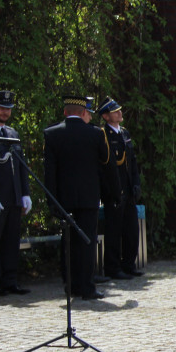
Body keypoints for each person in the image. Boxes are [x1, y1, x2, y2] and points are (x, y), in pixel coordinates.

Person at [43, 95, 115, 300]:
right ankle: (86, 286)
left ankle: (70, 284)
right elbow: (106, 164)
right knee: (86, 242)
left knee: (68, 241)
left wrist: (52, 200)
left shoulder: (51, 134)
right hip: (88, 197)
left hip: (63, 199)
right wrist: (111, 192)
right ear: (84, 113)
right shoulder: (95, 134)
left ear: (65, 112)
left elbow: (50, 172)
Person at [0, 90, 32, 296]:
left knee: (12, 240)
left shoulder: (12, 134)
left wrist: (25, 193)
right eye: (1, 108)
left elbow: (20, 166)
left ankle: (10, 280)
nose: (5, 112)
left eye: (8, 109)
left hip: (13, 196)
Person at [97, 98, 143, 279]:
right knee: (114, 231)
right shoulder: (103, 135)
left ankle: (129, 264)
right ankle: (113, 268)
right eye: (115, 112)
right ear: (106, 116)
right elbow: (104, 166)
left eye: (119, 110)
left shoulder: (124, 133)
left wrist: (136, 183)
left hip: (128, 189)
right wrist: (110, 191)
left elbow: (132, 161)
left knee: (131, 229)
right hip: (114, 191)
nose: (119, 113)